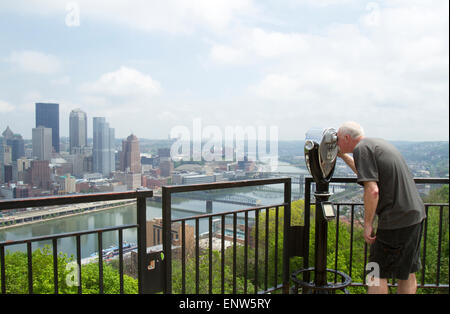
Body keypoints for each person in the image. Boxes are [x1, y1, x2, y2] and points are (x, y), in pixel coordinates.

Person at [336, 121, 426, 294]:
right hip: (415, 215)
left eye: (338, 139)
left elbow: (373, 190)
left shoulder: (361, 149)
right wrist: (343, 156)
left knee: (375, 272)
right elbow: (367, 173)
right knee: (406, 273)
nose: (337, 143)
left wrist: (368, 224)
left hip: (395, 219)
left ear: (347, 138)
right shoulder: (376, 144)